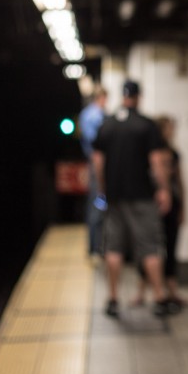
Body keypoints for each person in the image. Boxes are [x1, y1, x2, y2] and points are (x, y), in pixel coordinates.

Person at [91, 80, 173, 318]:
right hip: (142, 197)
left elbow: (98, 161)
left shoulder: (107, 124)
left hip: (115, 197)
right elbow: (156, 162)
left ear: (122, 96)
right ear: (139, 96)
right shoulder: (146, 125)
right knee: (150, 246)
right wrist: (164, 188)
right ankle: (159, 297)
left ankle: (113, 298)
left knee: (113, 247)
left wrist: (103, 189)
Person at [132, 115, 187, 311]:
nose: (171, 131)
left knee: (170, 246)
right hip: (151, 204)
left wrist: (182, 207)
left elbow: (180, 183)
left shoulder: (174, 153)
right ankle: (143, 290)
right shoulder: (148, 152)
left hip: (171, 203)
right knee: (148, 247)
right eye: (168, 128)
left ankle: (171, 290)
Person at [79, 85, 108, 259]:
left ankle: (96, 247)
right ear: (102, 98)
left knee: (96, 204)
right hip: (98, 165)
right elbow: (98, 146)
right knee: (98, 204)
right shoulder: (96, 116)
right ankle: (95, 248)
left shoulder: (85, 114)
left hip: (93, 163)